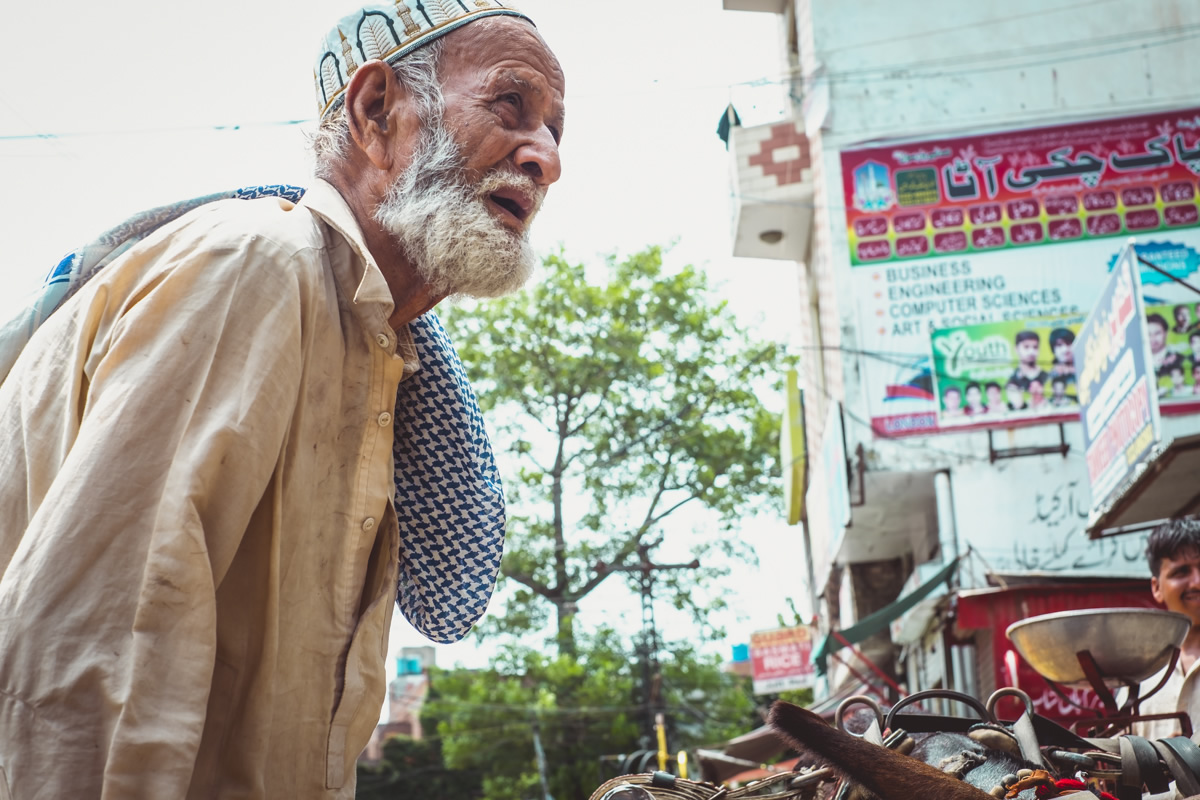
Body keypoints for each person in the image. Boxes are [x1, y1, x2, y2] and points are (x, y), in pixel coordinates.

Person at [0, 3, 565, 797]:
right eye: (512, 106)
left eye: (556, 133)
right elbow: (86, 674)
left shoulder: (373, 355)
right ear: (378, 113)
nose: (546, 159)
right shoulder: (257, 265)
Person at [1132, 518, 1200, 740]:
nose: (1197, 582)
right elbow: (1118, 760)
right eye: (1181, 572)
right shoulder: (1139, 673)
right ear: (1157, 588)